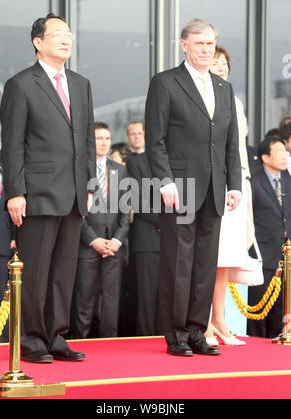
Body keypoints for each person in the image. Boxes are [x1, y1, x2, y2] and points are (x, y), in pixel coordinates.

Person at [0, 14, 96, 363]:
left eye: (68, 34)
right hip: (37, 194)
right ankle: (30, 340)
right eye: (57, 34)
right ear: (38, 42)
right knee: (36, 272)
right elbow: (12, 144)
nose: (66, 39)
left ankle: (56, 336)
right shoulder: (21, 84)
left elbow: (85, 139)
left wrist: (89, 183)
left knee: (63, 272)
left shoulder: (81, 83)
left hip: (73, 195)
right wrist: (15, 191)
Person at [145, 19, 241, 357]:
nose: (206, 49)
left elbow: (230, 143)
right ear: (183, 44)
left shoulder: (223, 88)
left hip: (215, 189)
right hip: (179, 187)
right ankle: (176, 335)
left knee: (204, 264)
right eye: (199, 43)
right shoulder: (165, 83)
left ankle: (198, 331)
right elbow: (154, 140)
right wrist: (165, 181)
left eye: (210, 44)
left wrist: (234, 184)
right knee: (178, 264)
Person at [204, 45, 251, 346]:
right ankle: (204, 322)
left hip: (236, 183)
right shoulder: (204, 98)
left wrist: (243, 183)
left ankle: (220, 319)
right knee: (207, 257)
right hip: (211, 184)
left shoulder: (234, 100)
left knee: (224, 259)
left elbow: (239, 150)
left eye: (225, 63)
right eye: (216, 62)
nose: (221, 67)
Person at [71, 123, 130, 338]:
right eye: (98, 138)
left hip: (114, 246)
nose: (104, 142)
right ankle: (80, 343)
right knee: (84, 299)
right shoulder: (81, 170)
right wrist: (92, 240)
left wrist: (117, 240)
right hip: (87, 245)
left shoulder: (120, 170)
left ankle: (109, 346)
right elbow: (76, 211)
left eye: (107, 138)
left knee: (111, 301)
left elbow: (126, 211)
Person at [247, 137, 291, 338]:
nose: (284, 156)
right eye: (279, 152)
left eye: (285, 151)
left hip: (286, 255)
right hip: (263, 254)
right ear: (265, 157)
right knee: (258, 309)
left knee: (282, 309)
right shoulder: (254, 183)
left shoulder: (289, 180)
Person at [126, 150, 160, 336]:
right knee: (147, 296)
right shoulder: (136, 162)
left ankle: (167, 335)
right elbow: (135, 199)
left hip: (173, 241)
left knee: (169, 296)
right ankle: (145, 337)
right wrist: (166, 222)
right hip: (147, 239)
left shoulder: (177, 159)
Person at [0, 126, 14, 341]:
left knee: (0, 295)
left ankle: (1, 339)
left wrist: (14, 235)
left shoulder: (1, 169)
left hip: (1, 242)